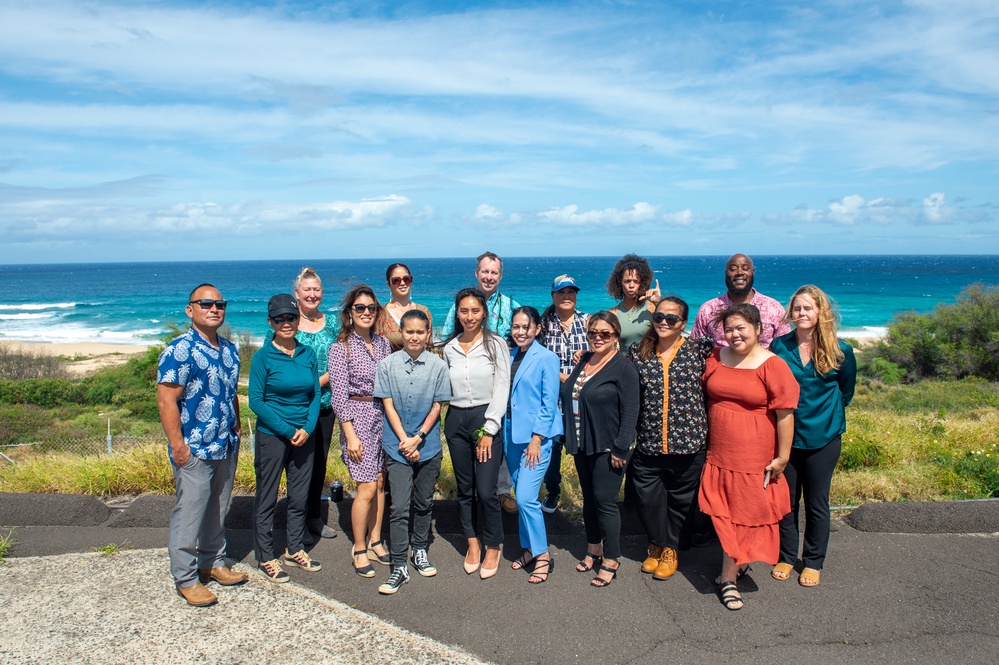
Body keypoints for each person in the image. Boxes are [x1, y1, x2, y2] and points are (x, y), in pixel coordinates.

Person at [698, 303, 799, 610]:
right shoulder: (716, 357)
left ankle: (728, 578)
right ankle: (738, 561)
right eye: (729, 329)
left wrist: (782, 457)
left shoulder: (773, 365)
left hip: (753, 456)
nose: (735, 334)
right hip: (719, 453)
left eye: (741, 327)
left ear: (758, 329)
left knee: (740, 516)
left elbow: (785, 415)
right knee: (722, 512)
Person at [157, 284, 246, 607]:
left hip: (224, 442)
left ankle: (213, 561)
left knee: (217, 507)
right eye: (206, 303)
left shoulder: (229, 349)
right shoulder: (180, 349)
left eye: (219, 304)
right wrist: (178, 445)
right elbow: (167, 399)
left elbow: (230, 390)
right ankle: (186, 577)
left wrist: (235, 422)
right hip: (193, 446)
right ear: (190, 309)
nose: (214, 308)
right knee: (190, 511)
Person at [770, 285, 857, 588]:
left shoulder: (840, 350)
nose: (801, 313)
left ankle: (813, 561)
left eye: (808, 308)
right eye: (797, 308)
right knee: (786, 502)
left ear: (820, 312)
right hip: (787, 438)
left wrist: (827, 415)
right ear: (790, 314)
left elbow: (846, 392)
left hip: (824, 437)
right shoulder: (779, 346)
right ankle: (785, 554)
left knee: (817, 502)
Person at [627, 296, 712, 580]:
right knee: (647, 499)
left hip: (688, 444)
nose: (664, 322)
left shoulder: (698, 350)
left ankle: (670, 550)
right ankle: (655, 542)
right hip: (648, 443)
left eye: (671, 318)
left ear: (683, 323)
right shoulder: (638, 353)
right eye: (659, 317)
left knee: (680, 503)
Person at [373, 309, 452, 595]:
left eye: (420, 332)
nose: (415, 336)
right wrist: (405, 441)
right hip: (396, 446)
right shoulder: (387, 365)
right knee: (399, 506)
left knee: (424, 502)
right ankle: (398, 566)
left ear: (428, 334)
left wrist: (417, 438)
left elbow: (437, 406)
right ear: (401, 333)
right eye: (409, 331)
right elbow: (388, 405)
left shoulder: (438, 367)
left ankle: (419, 549)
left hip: (427, 446)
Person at [561, 311, 640, 588]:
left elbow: (631, 412)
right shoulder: (584, 360)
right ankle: (593, 548)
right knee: (590, 499)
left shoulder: (623, 367)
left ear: (615, 337)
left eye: (604, 333)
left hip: (610, 446)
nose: (597, 337)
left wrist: (620, 448)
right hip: (584, 442)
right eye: (593, 332)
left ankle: (612, 558)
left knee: (605, 502)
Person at [249, 293, 322, 583]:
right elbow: (256, 401)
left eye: (291, 317)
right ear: (271, 322)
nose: (286, 323)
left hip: (305, 435)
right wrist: (288, 430)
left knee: (299, 495)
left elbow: (315, 392)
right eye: (279, 319)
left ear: (298, 320)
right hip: (273, 436)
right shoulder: (262, 356)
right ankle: (265, 555)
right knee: (267, 495)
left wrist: (307, 427)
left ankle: (294, 548)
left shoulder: (307, 354)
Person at [441, 252, 521, 514]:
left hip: (502, 378)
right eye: (484, 272)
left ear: (500, 275)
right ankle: (481, 496)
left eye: (494, 272)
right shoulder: (460, 305)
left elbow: (524, 338)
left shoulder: (512, 306)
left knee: (500, 435)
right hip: (469, 385)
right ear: (477, 273)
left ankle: (501, 491)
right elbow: (446, 339)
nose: (489, 277)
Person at [442, 287, 511, 579]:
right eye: (464, 311)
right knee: (466, 489)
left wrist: (489, 429)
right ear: (457, 313)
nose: (469, 316)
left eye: (475, 311)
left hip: (486, 419)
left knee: (487, 490)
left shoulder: (495, 344)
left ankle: (493, 545)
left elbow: (502, 387)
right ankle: (472, 543)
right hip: (456, 419)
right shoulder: (449, 348)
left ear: (484, 313)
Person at [329, 285, 393, 578]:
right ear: (350, 313)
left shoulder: (382, 344)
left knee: (380, 482)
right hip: (357, 419)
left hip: (383, 417)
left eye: (371, 308)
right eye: (360, 308)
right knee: (366, 486)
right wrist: (350, 434)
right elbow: (338, 396)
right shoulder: (340, 347)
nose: (366, 312)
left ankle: (376, 538)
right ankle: (358, 547)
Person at [505, 306, 563, 584]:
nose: (520, 332)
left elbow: (549, 402)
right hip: (510, 434)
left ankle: (543, 555)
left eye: (526, 327)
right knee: (521, 495)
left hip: (535, 439)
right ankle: (528, 547)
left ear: (538, 328)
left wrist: (538, 438)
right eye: (516, 326)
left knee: (527, 498)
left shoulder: (547, 358)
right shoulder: (510, 354)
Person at [293, 267, 339, 542]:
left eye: (316, 290)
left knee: (318, 464)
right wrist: (311, 384)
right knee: (298, 465)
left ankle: (313, 518)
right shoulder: (287, 321)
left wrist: (319, 383)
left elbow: (338, 359)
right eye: (306, 290)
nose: (312, 294)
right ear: (297, 293)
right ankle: (295, 522)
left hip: (325, 405)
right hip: (295, 406)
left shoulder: (331, 322)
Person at [537, 274, 589, 514]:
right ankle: (553, 491)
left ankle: (589, 492)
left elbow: (602, 352)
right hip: (553, 397)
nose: (566, 296)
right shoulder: (543, 324)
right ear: (553, 296)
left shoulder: (588, 322)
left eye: (571, 292)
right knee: (553, 446)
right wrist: (561, 378)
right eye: (561, 292)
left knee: (584, 445)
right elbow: (537, 357)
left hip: (582, 397)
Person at [691, 254, 790, 349]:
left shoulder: (773, 308)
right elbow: (696, 347)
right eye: (733, 269)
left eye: (745, 268)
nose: (739, 272)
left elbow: (784, 349)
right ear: (726, 273)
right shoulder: (708, 309)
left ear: (753, 272)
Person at [606, 254, 661, 352]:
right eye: (627, 281)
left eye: (636, 281)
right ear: (619, 283)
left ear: (642, 283)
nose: (631, 285)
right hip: (624, 365)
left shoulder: (652, 308)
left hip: (650, 364)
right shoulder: (612, 314)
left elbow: (671, 328)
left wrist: (658, 303)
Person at [376, 263, 433, 352]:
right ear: (388, 284)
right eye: (396, 280)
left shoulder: (424, 311)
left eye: (406, 279)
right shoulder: (381, 315)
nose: (402, 283)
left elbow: (429, 345)